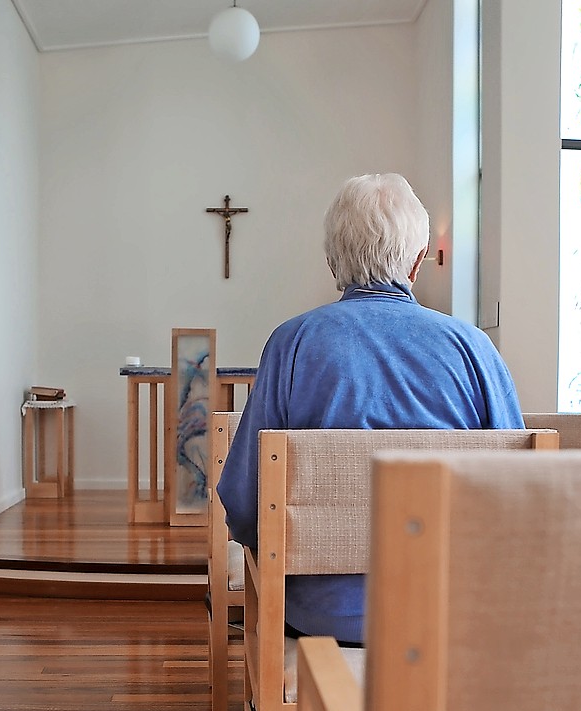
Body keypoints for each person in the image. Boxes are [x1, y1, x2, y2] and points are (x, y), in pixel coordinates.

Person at [218, 173, 523, 645]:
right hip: (449, 611)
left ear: (331, 260)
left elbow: (244, 499)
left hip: (324, 618)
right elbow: (518, 491)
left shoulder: (293, 343)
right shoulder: (473, 349)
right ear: (418, 261)